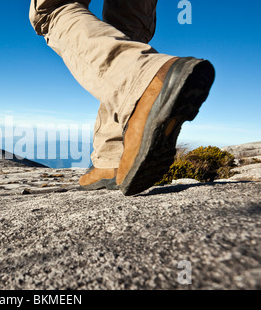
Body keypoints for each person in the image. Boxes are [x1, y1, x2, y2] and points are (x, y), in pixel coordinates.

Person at [29, 0, 215, 195]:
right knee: (128, 30)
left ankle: (144, 84)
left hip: (143, 82)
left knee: (53, 9)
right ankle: (112, 159)